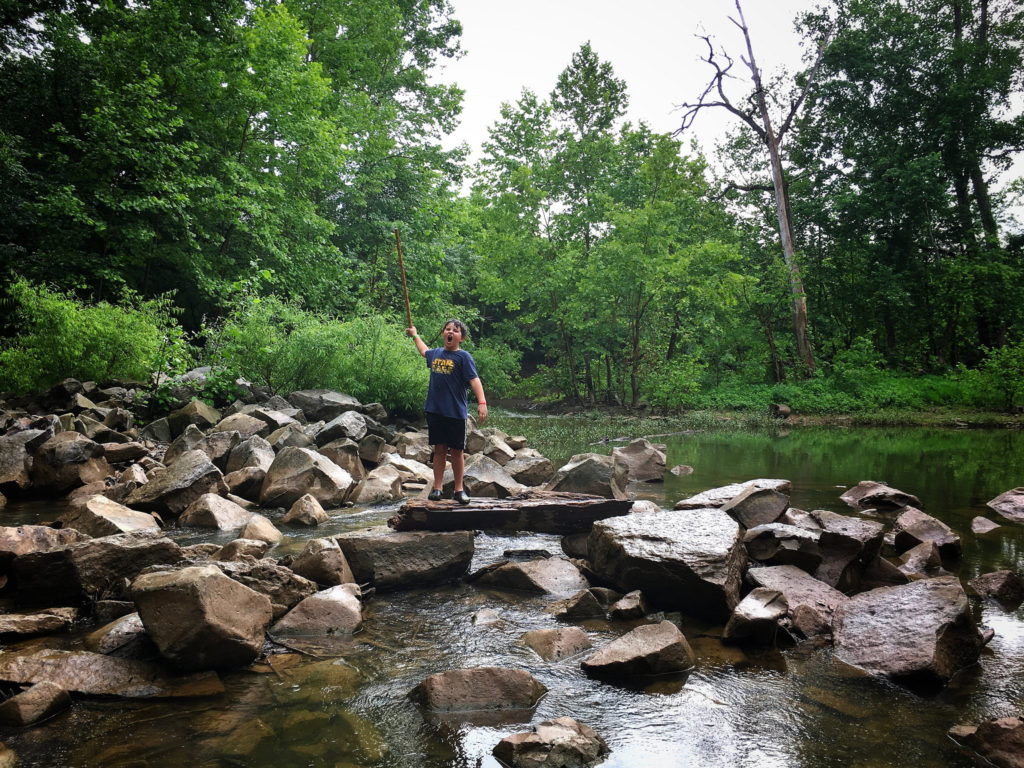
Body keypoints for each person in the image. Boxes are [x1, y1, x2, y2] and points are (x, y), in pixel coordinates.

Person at [407, 319, 487, 503]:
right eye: (447, 329)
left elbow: (474, 380)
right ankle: (437, 488)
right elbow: (423, 350)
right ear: (444, 333)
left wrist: (482, 402)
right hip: (435, 411)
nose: (450, 332)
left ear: (461, 338)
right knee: (439, 449)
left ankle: (459, 490)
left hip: (455, 412)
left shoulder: (464, 357)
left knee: (457, 451)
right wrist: (415, 335)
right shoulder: (436, 354)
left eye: (455, 330)